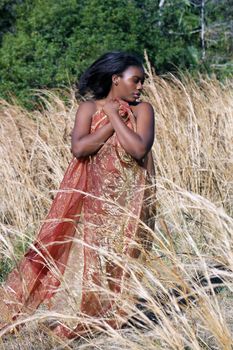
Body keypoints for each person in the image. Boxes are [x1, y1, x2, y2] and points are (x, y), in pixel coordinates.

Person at [0, 51, 156, 339]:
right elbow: (80, 148)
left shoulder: (142, 110)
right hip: (88, 201)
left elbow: (138, 149)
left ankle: (101, 320)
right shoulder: (88, 109)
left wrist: (116, 116)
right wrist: (110, 118)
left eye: (142, 82)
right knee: (71, 256)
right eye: (136, 80)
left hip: (128, 205)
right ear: (115, 79)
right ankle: (57, 319)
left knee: (117, 262)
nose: (140, 87)